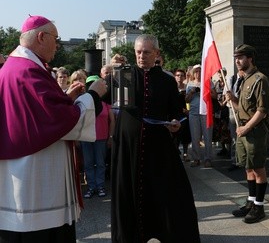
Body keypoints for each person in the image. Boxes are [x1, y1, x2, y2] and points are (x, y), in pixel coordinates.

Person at [0, 15, 107, 242]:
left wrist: (66, 98)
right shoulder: (28, 71)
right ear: (41, 37)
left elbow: (42, 113)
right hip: (35, 186)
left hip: (20, 175)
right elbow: (60, 122)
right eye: (55, 39)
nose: (58, 46)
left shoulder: (15, 67)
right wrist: (93, 95)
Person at [110, 34, 200, 242]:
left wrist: (176, 123)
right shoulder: (124, 75)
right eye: (138, 52)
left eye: (146, 52)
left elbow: (175, 112)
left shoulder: (167, 80)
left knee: (171, 195)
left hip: (158, 148)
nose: (141, 56)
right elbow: (110, 98)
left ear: (157, 54)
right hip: (129, 147)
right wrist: (112, 70)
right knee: (129, 194)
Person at [225, 44, 269, 224]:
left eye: (241, 57)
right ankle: (251, 202)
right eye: (236, 57)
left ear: (250, 58)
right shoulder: (243, 79)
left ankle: (259, 206)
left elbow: (262, 111)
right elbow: (242, 109)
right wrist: (233, 100)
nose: (237, 61)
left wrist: (247, 128)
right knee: (248, 167)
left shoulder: (260, 79)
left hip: (254, 131)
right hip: (243, 130)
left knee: (258, 168)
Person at [81, 75, 116, 199]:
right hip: (86, 138)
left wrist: (110, 137)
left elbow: (112, 121)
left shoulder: (106, 104)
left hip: (101, 138)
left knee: (100, 163)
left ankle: (100, 185)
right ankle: (91, 187)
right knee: (88, 163)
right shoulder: (83, 102)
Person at [185, 64, 216, 168]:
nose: (198, 73)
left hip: (206, 112)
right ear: (193, 73)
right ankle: (196, 158)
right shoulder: (190, 84)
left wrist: (205, 91)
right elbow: (186, 100)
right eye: (196, 71)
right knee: (195, 136)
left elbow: (215, 96)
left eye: (200, 71)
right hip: (193, 112)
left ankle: (207, 158)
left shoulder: (208, 82)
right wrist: (192, 92)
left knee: (207, 136)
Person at [223, 69, 245, 171]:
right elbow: (225, 95)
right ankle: (234, 160)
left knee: (245, 136)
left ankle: (245, 160)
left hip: (245, 111)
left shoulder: (248, 78)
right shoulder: (231, 79)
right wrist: (228, 98)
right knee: (234, 137)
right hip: (232, 110)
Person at [174, 68, 191, 162]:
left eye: (181, 75)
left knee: (186, 135)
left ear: (184, 77)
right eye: (178, 75)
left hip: (186, 115)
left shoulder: (187, 87)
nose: (180, 77)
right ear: (175, 76)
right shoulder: (172, 87)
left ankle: (185, 153)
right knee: (176, 135)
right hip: (175, 114)